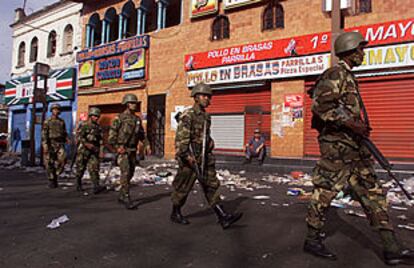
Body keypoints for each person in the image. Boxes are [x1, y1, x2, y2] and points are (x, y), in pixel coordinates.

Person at [304, 31, 414, 265]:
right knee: (324, 192)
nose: (363, 54)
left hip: (355, 148)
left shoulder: (349, 76)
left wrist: (357, 126)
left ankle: (391, 248)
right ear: (350, 51)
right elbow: (320, 107)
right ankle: (311, 239)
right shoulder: (335, 74)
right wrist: (349, 122)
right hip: (337, 149)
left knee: (373, 194)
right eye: (360, 50)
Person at [170, 82, 243, 229]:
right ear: (196, 97)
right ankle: (175, 212)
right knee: (183, 187)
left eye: (209, 96)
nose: (208, 99)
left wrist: (210, 143)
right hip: (190, 158)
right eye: (204, 96)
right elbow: (181, 139)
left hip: (204, 157)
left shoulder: (206, 117)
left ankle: (222, 216)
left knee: (211, 185)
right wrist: (186, 156)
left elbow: (204, 137)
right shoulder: (188, 115)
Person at [108, 93, 147, 209]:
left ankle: (121, 194)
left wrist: (147, 144)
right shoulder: (119, 118)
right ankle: (126, 197)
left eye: (135, 103)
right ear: (126, 104)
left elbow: (141, 135)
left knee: (131, 173)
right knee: (125, 173)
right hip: (123, 150)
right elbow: (111, 136)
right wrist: (117, 147)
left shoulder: (137, 119)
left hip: (132, 150)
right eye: (131, 103)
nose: (134, 105)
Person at [74, 107, 105, 194]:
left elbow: (101, 140)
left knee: (94, 168)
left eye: (97, 116)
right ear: (91, 116)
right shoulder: (84, 125)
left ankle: (96, 185)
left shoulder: (98, 128)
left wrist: (101, 151)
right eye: (95, 116)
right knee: (81, 167)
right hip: (83, 150)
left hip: (94, 150)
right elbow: (79, 136)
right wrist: (86, 144)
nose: (96, 118)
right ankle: (78, 183)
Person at [42, 104, 69, 188]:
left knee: (63, 160)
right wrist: (45, 146)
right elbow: (44, 134)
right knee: (49, 162)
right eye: (54, 109)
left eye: (57, 109)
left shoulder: (61, 121)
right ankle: (51, 179)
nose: (56, 111)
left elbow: (64, 132)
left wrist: (67, 138)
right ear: (51, 111)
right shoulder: (47, 121)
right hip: (50, 143)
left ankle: (56, 174)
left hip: (59, 143)